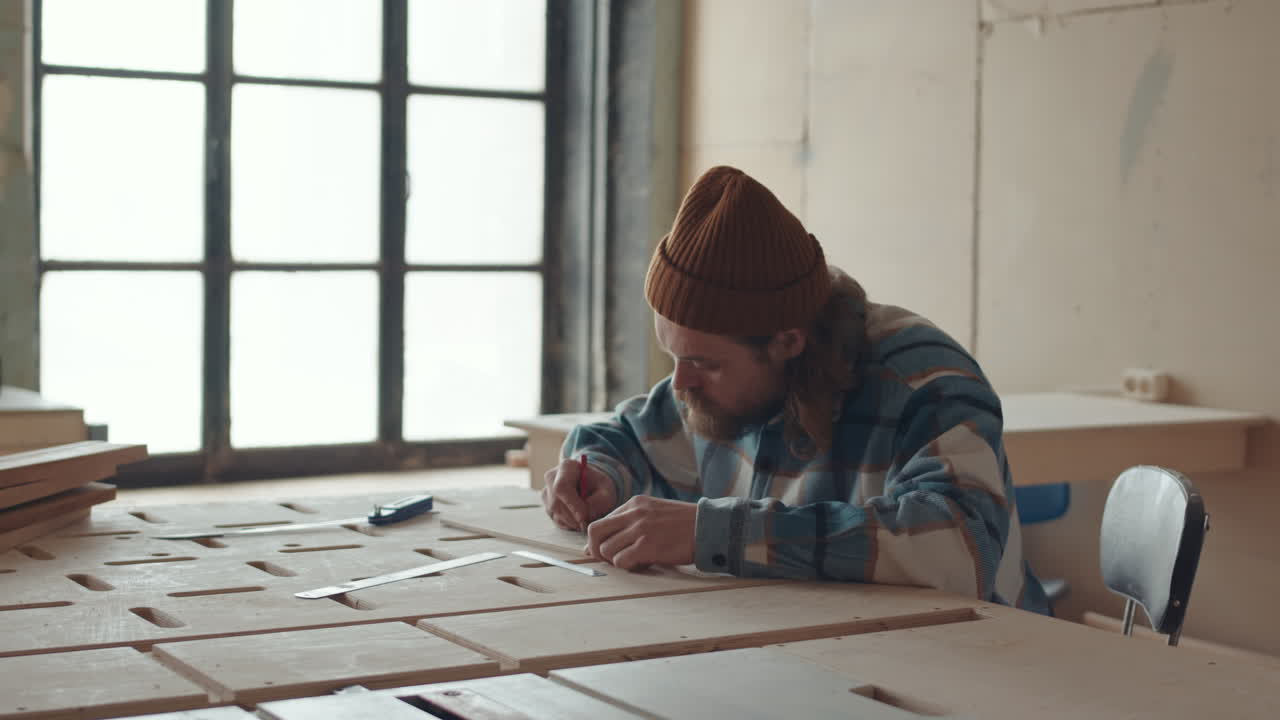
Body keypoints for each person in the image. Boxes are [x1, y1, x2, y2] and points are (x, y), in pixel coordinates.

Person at [540, 165, 1049, 614]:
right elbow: (628, 437)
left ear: (787, 340)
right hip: (822, 649)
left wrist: (716, 533)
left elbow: (961, 547)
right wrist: (598, 473)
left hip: (970, 662)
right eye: (674, 356)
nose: (681, 382)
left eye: (701, 362)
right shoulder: (727, 378)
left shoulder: (923, 382)